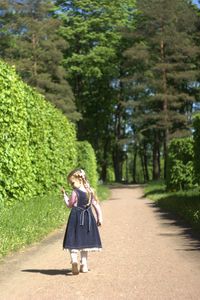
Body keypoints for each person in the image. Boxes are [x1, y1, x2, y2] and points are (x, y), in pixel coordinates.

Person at [61, 168, 103, 275]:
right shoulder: (90, 191)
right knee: (85, 242)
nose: (71, 185)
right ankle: (84, 264)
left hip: (75, 218)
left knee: (73, 240)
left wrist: (65, 197)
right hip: (88, 218)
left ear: (80, 179)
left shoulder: (75, 192)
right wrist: (99, 217)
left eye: (72, 182)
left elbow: (70, 205)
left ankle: (74, 260)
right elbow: (96, 205)